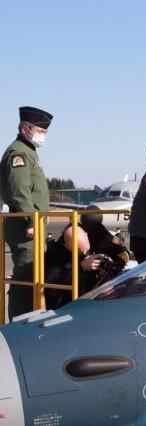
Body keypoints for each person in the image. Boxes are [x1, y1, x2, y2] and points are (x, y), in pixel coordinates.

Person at [0, 106, 52, 318]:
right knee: (26, 276)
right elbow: (19, 192)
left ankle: (29, 317)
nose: (43, 136)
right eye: (41, 131)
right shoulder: (19, 153)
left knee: (33, 277)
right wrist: (32, 222)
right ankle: (20, 323)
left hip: (34, 225)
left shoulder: (29, 152)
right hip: (26, 227)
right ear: (25, 128)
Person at [45, 223, 130, 309]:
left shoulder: (95, 235)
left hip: (100, 293)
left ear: (86, 235)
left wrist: (108, 266)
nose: (86, 254)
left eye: (87, 251)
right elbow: (54, 286)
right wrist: (81, 267)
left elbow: (121, 253)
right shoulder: (54, 255)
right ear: (67, 245)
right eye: (81, 252)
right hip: (72, 305)